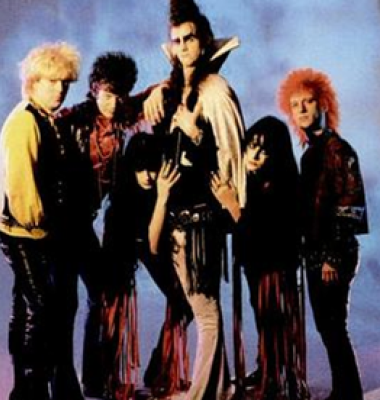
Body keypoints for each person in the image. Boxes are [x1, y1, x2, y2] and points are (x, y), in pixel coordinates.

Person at [146, 0, 246, 399]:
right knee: (203, 308)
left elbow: (228, 157)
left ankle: (203, 393)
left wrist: (198, 135)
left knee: (205, 313)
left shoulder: (215, 91)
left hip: (201, 220)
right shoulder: (172, 91)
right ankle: (219, 389)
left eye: (190, 38)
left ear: (203, 42)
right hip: (174, 218)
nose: (184, 45)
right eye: (177, 40)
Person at [0, 42, 80, 400]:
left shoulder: (44, 118)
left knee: (29, 308)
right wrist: (44, 225)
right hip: (25, 233)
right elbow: (22, 190)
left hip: (34, 232)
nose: (60, 89)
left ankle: (27, 388)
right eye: (52, 81)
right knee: (42, 310)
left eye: (65, 83)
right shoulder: (25, 122)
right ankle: (30, 388)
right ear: (33, 82)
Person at [278, 68, 369, 400]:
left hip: (333, 255)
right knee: (329, 328)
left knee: (333, 328)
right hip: (317, 255)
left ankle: (348, 393)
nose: (301, 109)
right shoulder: (311, 152)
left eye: (308, 101)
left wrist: (332, 255)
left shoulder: (337, 150)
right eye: (295, 104)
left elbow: (349, 204)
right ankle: (343, 391)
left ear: (324, 104)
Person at [55, 51, 141, 399]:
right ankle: (61, 383)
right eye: (107, 93)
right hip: (62, 223)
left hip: (84, 223)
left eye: (119, 95)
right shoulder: (71, 120)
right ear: (94, 89)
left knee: (100, 295)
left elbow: (155, 94)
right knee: (65, 303)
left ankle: (92, 378)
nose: (113, 102)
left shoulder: (123, 119)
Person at [211, 116, 309, 400]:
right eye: (251, 146)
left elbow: (261, 233)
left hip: (274, 267)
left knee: (273, 321)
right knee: (264, 319)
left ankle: (276, 379)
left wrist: (232, 205)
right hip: (256, 265)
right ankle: (270, 369)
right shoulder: (252, 182)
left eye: (263, 150)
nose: (253, 155)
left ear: (276, 154)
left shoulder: (282, 184)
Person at [113, 132, 193, 399]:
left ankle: (160, 368)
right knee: (114, 305)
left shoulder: (162, 184)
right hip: (129, 242)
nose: (147, 176)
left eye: (151, 169)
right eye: (141, 169)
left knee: (183, 303)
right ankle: (113, 375)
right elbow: (143, 244)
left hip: (154, 240)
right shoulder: (124, 192)